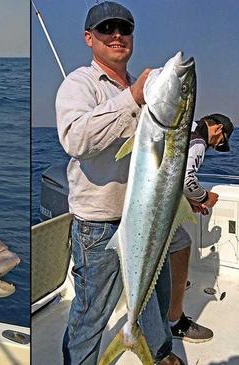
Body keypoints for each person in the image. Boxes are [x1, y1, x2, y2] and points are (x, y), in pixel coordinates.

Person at [55, 2, 182, 364]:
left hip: (152, 219)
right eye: (107, 28)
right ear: (88, 38)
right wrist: (133, 99)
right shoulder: (79, 85)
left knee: (155, 299)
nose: (116, 35)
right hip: (100, 224)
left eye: (124, 29)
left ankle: (160, 354)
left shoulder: (148, 89)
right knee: (91, 313)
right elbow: (74, 139)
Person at [168, 114, 234, 342]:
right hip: (160, 209)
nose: (217, 147)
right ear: (218, 129)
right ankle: (174, 321)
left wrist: (190, 201)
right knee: (182, 244)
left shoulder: (185, 129)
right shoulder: (197, 142)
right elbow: (186, 181)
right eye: (221, 141)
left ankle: (171, 284)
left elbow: (172, 176)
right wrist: (205, 197)